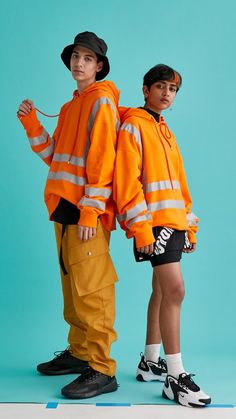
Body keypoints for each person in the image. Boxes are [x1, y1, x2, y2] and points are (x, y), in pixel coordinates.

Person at [17, 31, 120, 399]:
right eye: (76, 56)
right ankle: (79, 354)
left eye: (88, 58)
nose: (79, 63)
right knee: (73, 291)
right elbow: (55, 155)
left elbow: (103, 161)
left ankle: (102, 368)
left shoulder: (101, 103)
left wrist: (92, 212)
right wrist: (31, 123)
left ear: (100, 66)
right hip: (62, 209)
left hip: (84, 212)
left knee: (93, 290)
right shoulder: (71, 105)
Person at [113, 64, 211, 407]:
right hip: (152, 224)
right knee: (175, 290)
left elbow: (179, 186)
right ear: (145, 89)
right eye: (160, 87)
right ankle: (175, 377)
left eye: (172, 89)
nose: (167, 94)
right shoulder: (134, 126)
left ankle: (149, 361)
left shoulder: (165, 129)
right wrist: (140, 229)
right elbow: (126, 183)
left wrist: (188, 225)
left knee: (159, 288)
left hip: (172, 223)